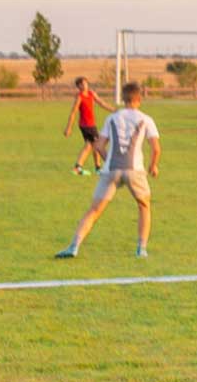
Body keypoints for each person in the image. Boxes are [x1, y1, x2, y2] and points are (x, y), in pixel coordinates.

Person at [57, 82, 161, 259]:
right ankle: (141, 249)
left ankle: (74, 246)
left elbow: (98, 145)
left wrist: (108, 161)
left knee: (94, 210)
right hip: (134, 170)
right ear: (139, 99)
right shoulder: (146, 119)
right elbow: (156, 148)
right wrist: (153, 166)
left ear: (124, 98)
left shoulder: (112, 118)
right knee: (144, 206)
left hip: (111, 170)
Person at [66, 76, 112, 175]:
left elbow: (101, 103)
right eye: (82, 84)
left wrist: (113, 110)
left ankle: (95, 168)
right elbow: (73, 112)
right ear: (78, 86)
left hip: (91, 124)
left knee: (93, 145)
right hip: (86, 125)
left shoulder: (91, 94)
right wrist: (69, 128)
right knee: (94, 145)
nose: (84, 85)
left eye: (85, 83)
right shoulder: (80, 97)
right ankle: (81, 167)